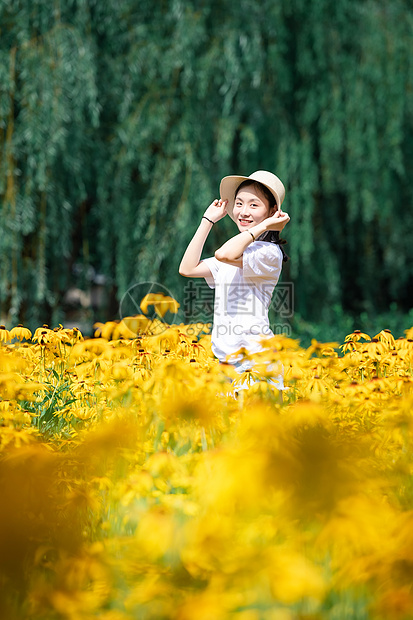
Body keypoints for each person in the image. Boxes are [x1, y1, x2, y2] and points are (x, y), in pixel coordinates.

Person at [179, 170, 290, 395]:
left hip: (256, 365)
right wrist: (207, 221)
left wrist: (264, 227)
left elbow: (224, 255)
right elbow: (187, 268)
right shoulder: (239, 253)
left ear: (272, 212)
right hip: (226, 368)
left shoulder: (269, 252)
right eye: (239, 203)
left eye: (253, 205)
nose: (243, 212)